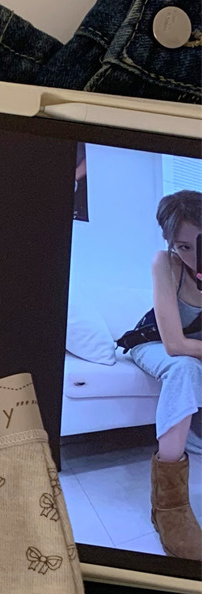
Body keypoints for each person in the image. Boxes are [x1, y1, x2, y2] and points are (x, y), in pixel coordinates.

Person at [126, 189, 202, 561]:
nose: (194, 256)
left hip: (194, 347)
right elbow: (174, 344)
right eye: (183, 246)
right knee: (185, 367)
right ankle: (169, 505)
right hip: (153, 342)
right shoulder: (165, 264)